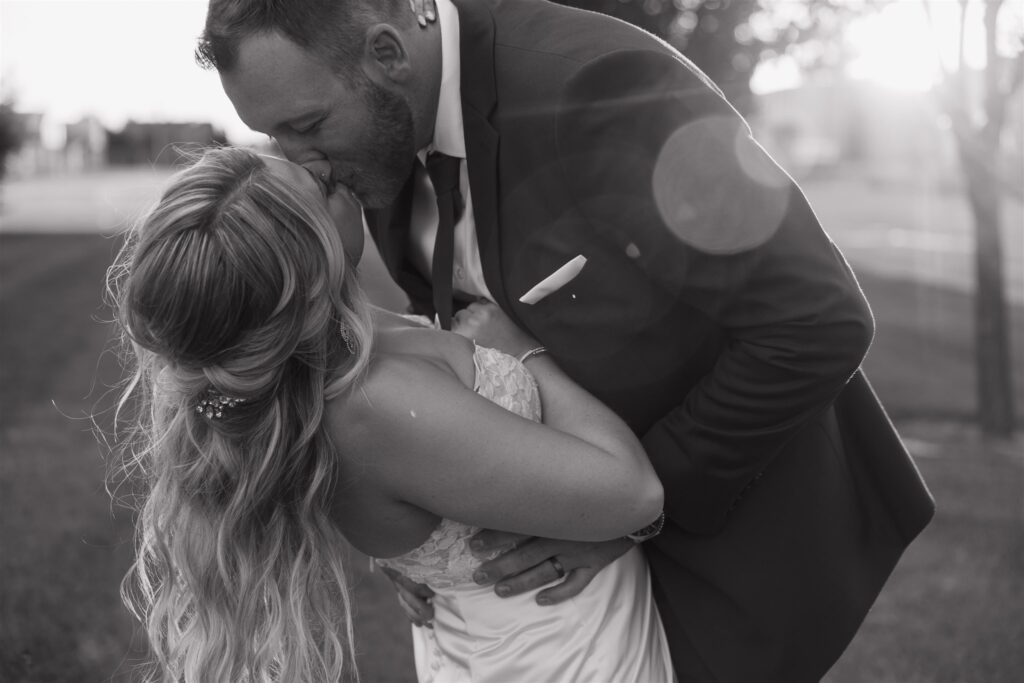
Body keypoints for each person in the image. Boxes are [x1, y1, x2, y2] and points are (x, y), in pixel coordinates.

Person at [198, 0, 936, 680]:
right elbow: (455, 358)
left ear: (388, 54)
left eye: (308, 125)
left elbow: (816, 317)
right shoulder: (376, 160)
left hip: (729, 557)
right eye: (274, 137)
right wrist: (421, 534)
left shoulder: (598, 88)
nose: (300, 164)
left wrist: (638, 514)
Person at [111, 146, 672, 682]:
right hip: (560, 649)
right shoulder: (373, 405)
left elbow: (423, 481)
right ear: (310, 268)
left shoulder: (343, 345)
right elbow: (635, 493)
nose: (327, 165)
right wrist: (522, 351)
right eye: (324, 188)